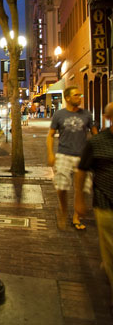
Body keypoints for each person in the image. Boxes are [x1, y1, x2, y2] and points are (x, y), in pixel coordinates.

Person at [74, 102, 113, 311]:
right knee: (109, 248)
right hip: (106, 203)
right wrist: (79, 199)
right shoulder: (97, 143)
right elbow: (81, 171)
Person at [47, 86, 98, 230]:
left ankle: (76, 217)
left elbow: (94, 134)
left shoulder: (87, 114)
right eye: (76, 95)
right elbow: (50, 135)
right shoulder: (59, 115)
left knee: (81, 189)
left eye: (80, 95)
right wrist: (50, 154)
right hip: (63, 154)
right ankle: (63, 209)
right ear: (67, 98)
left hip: (82, 156)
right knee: (61, 187)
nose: (79, 97)